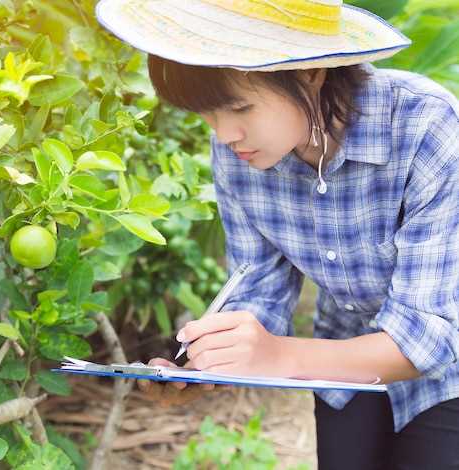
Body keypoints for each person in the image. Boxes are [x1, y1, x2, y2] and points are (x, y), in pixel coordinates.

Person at [95, 1, 459, 469]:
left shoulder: (427, 127)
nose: (225, 134)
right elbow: (256, 289)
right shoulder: (240, 150)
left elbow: (430, 337)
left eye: (238, 107)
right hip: (341, 362)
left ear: (309, 72)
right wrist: (207, 367)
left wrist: (278, 355)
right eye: (207, 114)